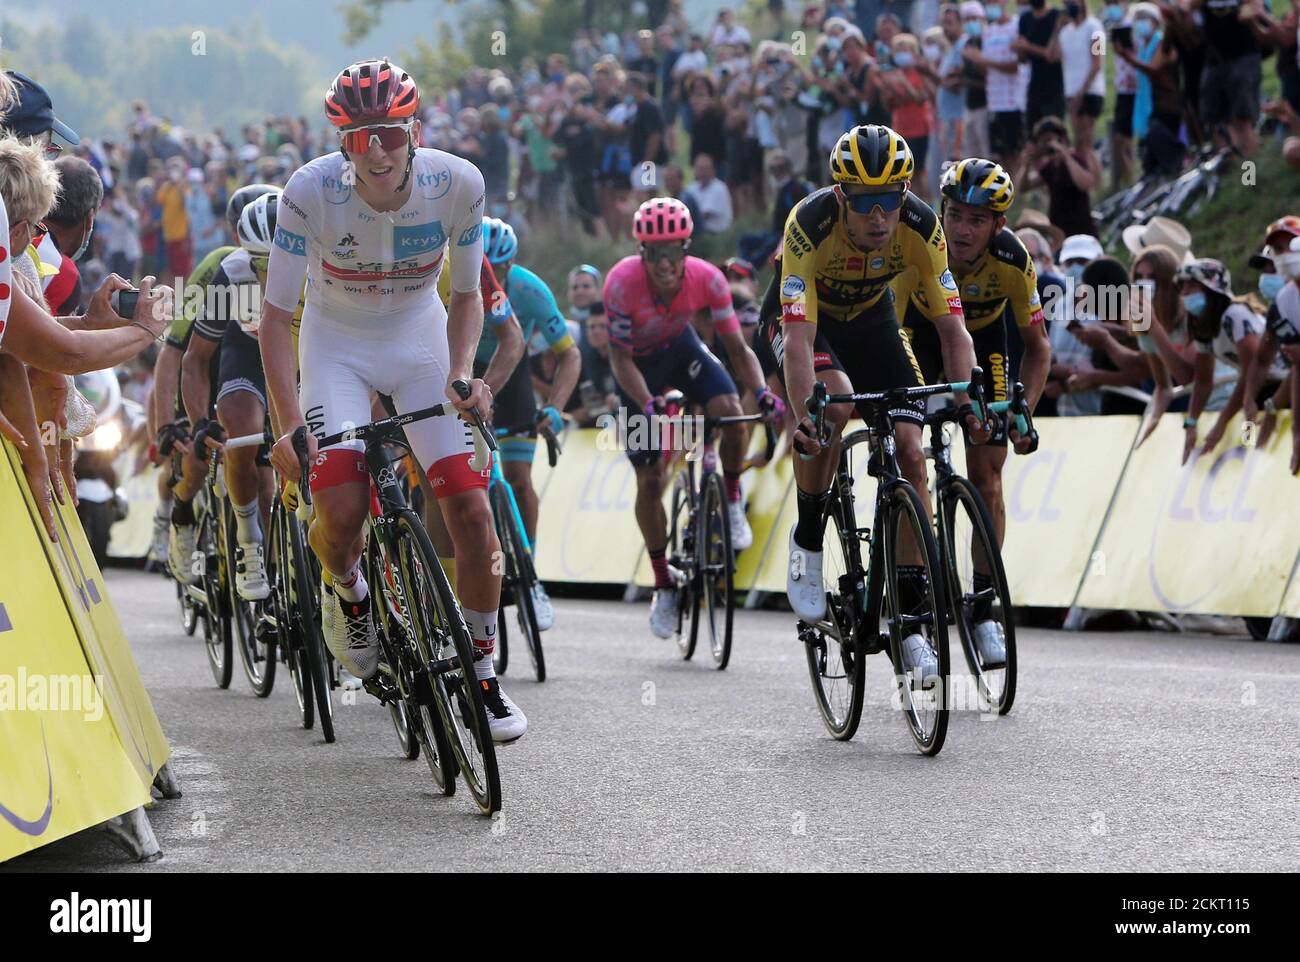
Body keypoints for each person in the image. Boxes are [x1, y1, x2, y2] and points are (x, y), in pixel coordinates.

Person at [259, 60, 526, 742]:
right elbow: (274, 317)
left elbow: (465, 296)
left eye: (387, 133)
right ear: (340, 142)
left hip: (418, 341)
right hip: (335, 346)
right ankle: (348, 596)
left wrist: (463, 374)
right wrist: (290, 427)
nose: (375, 150)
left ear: (414, 129)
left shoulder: (457, 183)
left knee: (469, 507)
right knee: (341, 511)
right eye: (356, 137)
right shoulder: (308, 193)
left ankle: (484, 673)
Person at [766, 125, 985, 680]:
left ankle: (911, 621)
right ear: (841, 195)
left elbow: (953, 329)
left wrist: (966, 401)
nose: (879, 217)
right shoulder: (808, 226)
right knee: (834, 406)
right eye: (865, 203)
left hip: (869, 319)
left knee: (912, 451)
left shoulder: (921, 225)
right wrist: (804, 417)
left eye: (891, 200)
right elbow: (796, 340)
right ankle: (809, 538)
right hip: (804, 322)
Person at [896, 159, 1050, 662]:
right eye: (955, 215)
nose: (962, 229)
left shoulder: (1013, 260)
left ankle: (983, 609)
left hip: (985, 345)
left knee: (988, 470)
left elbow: (1039, 347)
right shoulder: (919, 243)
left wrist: (1022, 411)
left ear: (998, 226)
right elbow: (890, 327)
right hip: (916, 334)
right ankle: (913, 599)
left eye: (976, 220)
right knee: (908, 449)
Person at [604, 197, 775, 639]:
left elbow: (738, 350)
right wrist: (646, 403)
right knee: (650, 479)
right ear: (643, 254)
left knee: (733, 412)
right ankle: (663, 581)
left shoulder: (708, 279)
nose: (664, 264)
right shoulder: (621, 283)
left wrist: (761, 392)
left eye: (673, 252)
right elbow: (619, 360)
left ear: (685, 250)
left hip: (680, 352)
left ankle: (732, 495)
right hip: (639, 369)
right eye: (654, 254)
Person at [156, 183, 275, 585]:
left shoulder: (315, 259)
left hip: (281, 356)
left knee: (269, 476)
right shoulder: (223, 268)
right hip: (224, 356)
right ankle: (184, 509)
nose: (267, 274)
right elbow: (177, 350)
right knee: (203, 446)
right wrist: (177, 422)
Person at [476, 217, 581, 629]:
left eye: (500, 268)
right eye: (485, 264)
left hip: (511, 371)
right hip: (465, 372)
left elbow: (569, 354)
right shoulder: (450, 279)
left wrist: (554, 406)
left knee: (519, 478)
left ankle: (530, 576)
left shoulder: (530, 290)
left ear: (511, 264)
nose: (492, 276)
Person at [1175, 258, 1286, 464]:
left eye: (1192, 285)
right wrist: (1191, 422)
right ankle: (1253, 467)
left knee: (1253, 440)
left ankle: (1259, 463)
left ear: (1212, 288)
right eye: (1182, 286)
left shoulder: (1234, 315)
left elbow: (1253, 367)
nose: (1185, 292)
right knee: (1249, 440)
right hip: (1256, 389)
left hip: (1277, 385)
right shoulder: (1204, 325)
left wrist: (1222, 421)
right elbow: (1203, 380)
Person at [1020, 116, 1099, 238]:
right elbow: (1023, 188)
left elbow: (1086, 184)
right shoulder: (1049, 167)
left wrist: (1065, 156)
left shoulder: (1076, 158)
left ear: (1062, 138)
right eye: (1043, 142)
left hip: (1083, 230)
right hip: (1059, 232)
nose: (1047, 146)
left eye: (1049, 140)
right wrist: (1026, 166)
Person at [1059, 0, 1106, 150]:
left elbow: (1097, 63)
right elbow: (1052, 55)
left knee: (1086, 142)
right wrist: (1056, 29)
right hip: (1071, 92)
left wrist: (1081, 93)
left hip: (1090, 91)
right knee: (1078, 143)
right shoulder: (1065, 32)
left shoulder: (1095, 27)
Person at [1013, 0, 1067, 131]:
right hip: (1035, 86)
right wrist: (1020, 49)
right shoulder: (1025, 19)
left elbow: (1054, 56)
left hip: (1057, 86)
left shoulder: (1057, 16)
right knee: (1034, 133)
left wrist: (1028, 47)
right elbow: (1023, 59)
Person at [682, 152, 733, 234]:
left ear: (713, 170)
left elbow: (705, 215)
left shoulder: (720, 188)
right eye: (700, 168)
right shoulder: (691, 188)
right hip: (697, 230)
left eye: (706, 168)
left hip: (715, 233)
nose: (703, 172)